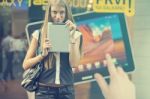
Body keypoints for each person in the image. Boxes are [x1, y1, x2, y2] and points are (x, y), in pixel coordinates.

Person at [22, 0, 82, 99]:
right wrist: (42, 55)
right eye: (54, 12)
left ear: (66, 13)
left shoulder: (76, 34)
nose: (58, 16)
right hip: (44, 91)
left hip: (66, 91)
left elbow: (74, 64)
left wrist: (71, 39)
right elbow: (25, 65)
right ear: (49, 13)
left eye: (62, 12)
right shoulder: (39, 34)